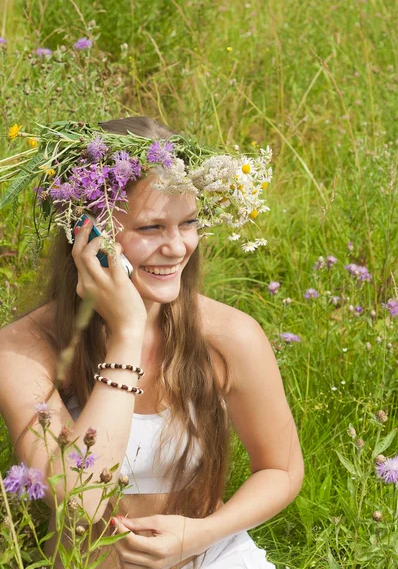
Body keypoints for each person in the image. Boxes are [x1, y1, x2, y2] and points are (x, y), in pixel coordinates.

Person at [0, 116, 304, 568]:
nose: (178, 247)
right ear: (87, 233)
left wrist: (201, 534)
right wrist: (126, 335)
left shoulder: (229, 335)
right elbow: (76, 500)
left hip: (210, 553)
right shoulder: (25, 348)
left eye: (188, 224)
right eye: (151, 228)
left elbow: (281, 469)